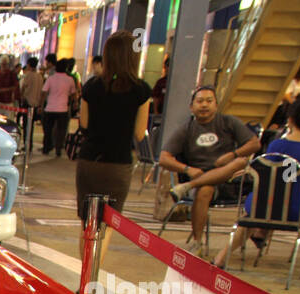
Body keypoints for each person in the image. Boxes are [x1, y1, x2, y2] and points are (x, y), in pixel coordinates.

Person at [215, 94, 300, 268]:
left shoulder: (279, 146)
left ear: (290, 119)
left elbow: (272, 181)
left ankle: (221, 258)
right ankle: (260, 233)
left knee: (262, 205)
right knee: (281, 196)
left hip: (278, 208)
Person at [75, 30, 152, 254]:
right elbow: (139, 133)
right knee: (107, 224)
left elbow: (85, 124)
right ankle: (93, 279)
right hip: (118, 164)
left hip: (89, 161)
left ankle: (83, 279)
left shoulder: (91, 87)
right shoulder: (141, 90)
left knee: (87, 223)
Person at [159, 86, 260, 256]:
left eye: (209, 101)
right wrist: (187, 169)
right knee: (205, 189)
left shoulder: (228, 122)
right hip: (201, 180)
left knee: (240, 162)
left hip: (228, 180)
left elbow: (254, 144)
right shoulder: (187, 129)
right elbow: (163, 158)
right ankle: (198, 242)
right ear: (192, 107)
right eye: (200, 101)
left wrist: (232, 154)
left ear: (216, 104)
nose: (204, 105)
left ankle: (187, 186)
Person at [42, 59, 76, 156]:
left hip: (50, 108)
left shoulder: (50, 78)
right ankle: (58, 148)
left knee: (48, 129)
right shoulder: (70, 80)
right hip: (63, 109)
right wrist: (75, 103)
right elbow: (74, 94)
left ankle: (46, 147)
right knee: (61, 130)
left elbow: (44, 92)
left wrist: (41, 105)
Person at [19, 56, 43, 143]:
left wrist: (21, 97)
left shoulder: (28, 75)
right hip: (36, 103)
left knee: (26, 125)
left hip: (27, 102)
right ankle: (30, 143)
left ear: (29, 65)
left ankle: (26, 144)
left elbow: (23, 88)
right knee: (32, 125)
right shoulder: (40, 76)